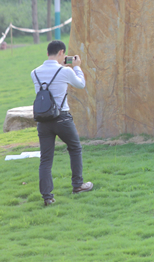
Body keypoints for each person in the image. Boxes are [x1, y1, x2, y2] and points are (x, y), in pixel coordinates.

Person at [31, 40, 93, 206]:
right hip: (62, 119)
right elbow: (81, 84)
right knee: (75, 148)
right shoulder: (65, 71)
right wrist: (76, 67)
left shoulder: (34, 72)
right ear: (61, 53)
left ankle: (47, 197)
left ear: (47, 53)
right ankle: (78, 185)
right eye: (64, 54)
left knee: (45, 159)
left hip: (43, 121)